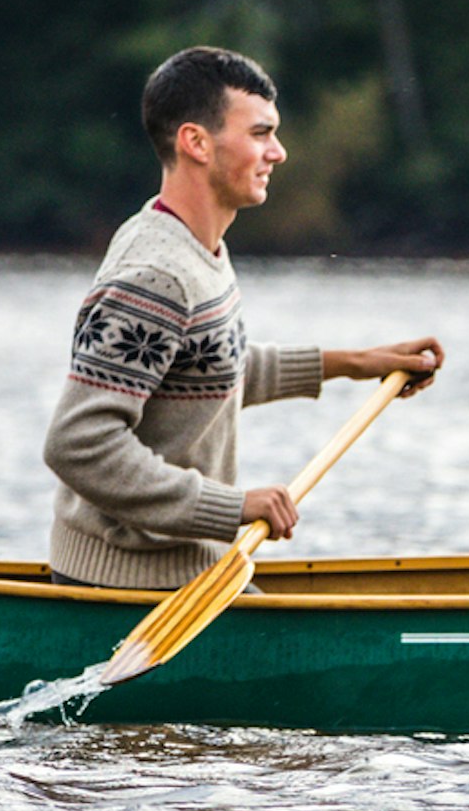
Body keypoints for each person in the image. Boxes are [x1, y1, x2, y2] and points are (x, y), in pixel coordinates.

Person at [44, 47, 446, 591]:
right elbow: (78, 445)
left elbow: (203, 367)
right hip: (128, 589)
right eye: (260, 134)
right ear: (196, 143)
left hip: (196, 572)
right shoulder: (154, 275)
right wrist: (232, 506)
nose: (278, 153)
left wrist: (354, 363)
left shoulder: (195, 248)